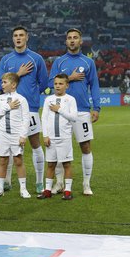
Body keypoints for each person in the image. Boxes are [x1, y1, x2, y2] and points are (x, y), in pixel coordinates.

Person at [48, 28, 101, 196]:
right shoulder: (59, 62)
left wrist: (96, 107)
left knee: (85, 146)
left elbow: (95, 85)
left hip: (82, 111)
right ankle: (59, 183)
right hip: (60, 111)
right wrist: (69, 78)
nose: (72, 40)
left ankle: (86, 184)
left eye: (75, 38)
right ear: (66, 42)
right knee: (57, 148)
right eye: (69, 38)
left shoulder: (88, 62)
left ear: (80, 41)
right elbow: (51, 83)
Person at [0, 26, 48, 194]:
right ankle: (6, 182)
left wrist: (30, 97)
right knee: (8, 146)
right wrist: (18, 74)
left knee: (34, 143)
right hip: (9, 108)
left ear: (27, 37)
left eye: (21, 35)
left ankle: (40, 182)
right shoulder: (6, 59)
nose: (18, 38)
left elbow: (43, 83)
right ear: (13, 39)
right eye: (15, 36)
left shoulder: (36, 58)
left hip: (30, 109)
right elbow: (0, 83)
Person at [0, 72, 31, 199]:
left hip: (16, 134)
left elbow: (26, 119)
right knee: (3, 160)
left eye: (4, 82)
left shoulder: (21, 99)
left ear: (13, 84)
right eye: (2, 82)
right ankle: (0, 188)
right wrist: (8, 106)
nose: (2, 84)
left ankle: (23, 189)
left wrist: (23, 135)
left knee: (18, 160)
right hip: (3, 134)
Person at [38, 73, 78, 200]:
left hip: (64, 137)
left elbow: (74, 117)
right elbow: (44, 118)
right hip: (51, 138)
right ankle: (48, 190)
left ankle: (67, 191)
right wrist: (45, 136)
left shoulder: (70, 99)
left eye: (61, 84)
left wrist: (59, 109)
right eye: (56, 84)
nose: (58, 86)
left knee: (66, 164)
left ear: (67, 85)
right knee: (50, 164)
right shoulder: (48, 99)